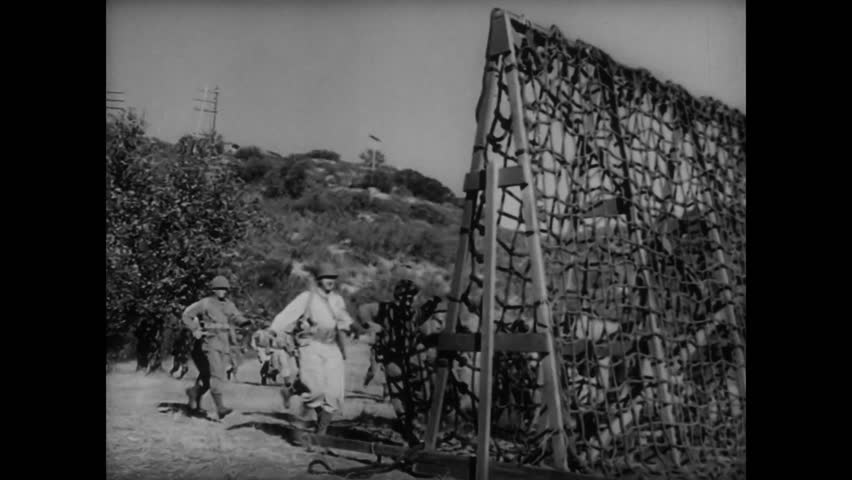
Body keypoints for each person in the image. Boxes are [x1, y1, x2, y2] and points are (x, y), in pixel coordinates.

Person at [270, 263, 354, 435]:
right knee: (316, 390)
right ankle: (294, 389)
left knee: (334, 392)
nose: (330, 281)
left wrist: (358, 329)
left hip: (331, 347)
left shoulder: (337, 300)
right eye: (326, 278)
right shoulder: (307, 298)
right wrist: (272, 330)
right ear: (318, 280)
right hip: (311, 346)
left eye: (332, 278)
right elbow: (287, 314)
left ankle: (321, 433)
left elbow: (344, 321)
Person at [356, 279, 442, 445]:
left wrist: (436, 301)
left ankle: (417, 431)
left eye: (411, 297)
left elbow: (427, 314)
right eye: (405, 297)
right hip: (393, 358)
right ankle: (408, 432)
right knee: (399, 396)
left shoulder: (414, 313)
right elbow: (362, 310)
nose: (408, 301)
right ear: (397, 296)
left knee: (419, 397)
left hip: (412, 358)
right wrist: (372, 326)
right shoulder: (385, 308)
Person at [182, 275, 251, 419]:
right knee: (216, 375)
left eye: (224, 289)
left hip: (224, 343)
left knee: (209, 379)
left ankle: (194, 393)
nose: (222, 291)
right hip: (210, 342)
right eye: (218, 288)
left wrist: (244, 322)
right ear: (213, 289)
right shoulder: (205, 303)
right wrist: (195, 329)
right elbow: (186, 315)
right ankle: (220, 408)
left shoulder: (229, 305)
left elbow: (236, 317)